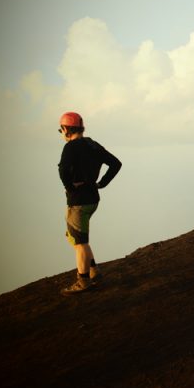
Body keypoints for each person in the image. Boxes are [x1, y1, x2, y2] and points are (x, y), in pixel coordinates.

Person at [58, 112, 122, 295]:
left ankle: (83, 281)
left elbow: (63, 171)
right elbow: (116, 163)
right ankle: (93, 270)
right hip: (93, 199)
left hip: (78, 202)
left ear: (66, 129)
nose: (61, 133)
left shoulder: (70, 147)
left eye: (61, 130)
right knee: (76, 238)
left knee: (80, 243)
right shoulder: (92, 145)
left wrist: (70, 187)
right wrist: (101, 183)